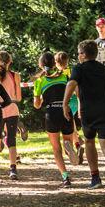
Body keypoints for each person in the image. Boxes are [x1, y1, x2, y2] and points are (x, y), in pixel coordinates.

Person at [63, 40, 105, 200]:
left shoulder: (79, 69)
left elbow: (71, 84)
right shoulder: (104, 69)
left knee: (89, 141)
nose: (78, 56)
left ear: (83, 54)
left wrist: (65, 104)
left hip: (88, 111)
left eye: (79, 53)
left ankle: (95, 178)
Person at [32, 52, 75, 187]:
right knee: (67, 140)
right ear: (54, 63)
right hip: (66, 110)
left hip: (51, 113)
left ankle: (65, 177)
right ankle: (69, 146)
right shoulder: (64, 76)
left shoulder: (39, 81)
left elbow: (37, 105)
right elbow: (72, 93)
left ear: (41, 65)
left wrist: (43, 97)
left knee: (56, 149)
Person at [0, 52, 23, 180]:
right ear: (10, 62)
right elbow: (18, 98)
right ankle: (13, 169)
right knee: (11, 139)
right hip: (12, 109)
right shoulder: (15, 76)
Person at [55, 51, 83, 166]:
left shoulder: (57, 74)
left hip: (64, 102)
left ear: (56, 62)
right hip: (74, 101)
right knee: (72, 125)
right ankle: (78, 144)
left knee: (69, 127)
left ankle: (76, 145)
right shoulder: (72, 71)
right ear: (67, 61)